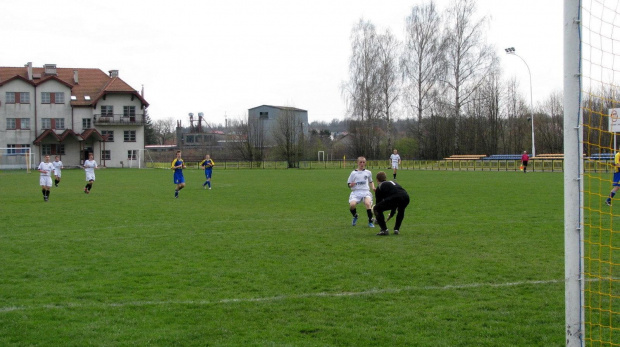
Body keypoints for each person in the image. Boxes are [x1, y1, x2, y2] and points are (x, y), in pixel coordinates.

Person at [373, 171, 410, 236]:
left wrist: (377, 218)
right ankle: (396, 229)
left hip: (396, 197)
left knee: (376, 208)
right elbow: (395, 200)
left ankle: (384, 230)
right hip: (406, 197)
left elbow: (378, 205)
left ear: (377, 179)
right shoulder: (392, 183)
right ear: (385, 178)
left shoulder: (379, 187)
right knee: (401, 210)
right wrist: (391, 214)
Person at [347, 156, 376, 228]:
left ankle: (370, 222)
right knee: (352, 205)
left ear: (365, 163)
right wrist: (351, 185)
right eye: (360, 162)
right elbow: (348, 184)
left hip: (365, 191)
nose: (362, 164)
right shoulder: (353, 173)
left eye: (363, 162)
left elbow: (371, 181)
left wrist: (373, 187)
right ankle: (355, 215)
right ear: (357, 163)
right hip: (356, 192)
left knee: (367, 203)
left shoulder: (368, 172)